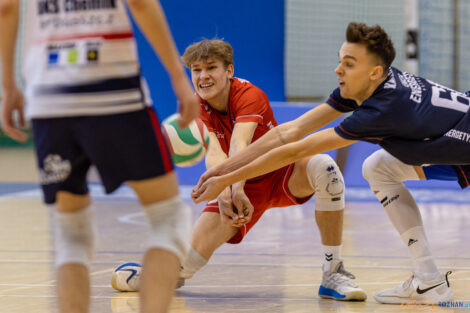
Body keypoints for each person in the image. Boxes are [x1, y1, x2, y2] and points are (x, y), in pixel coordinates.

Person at [192, 22, 470, 304]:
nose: (338, 70)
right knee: (378, 168)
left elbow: (293, 150)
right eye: (340, 61)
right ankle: (428, 280)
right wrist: (221, 170)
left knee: (375, 167)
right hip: (459, 148)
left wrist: (226, 180)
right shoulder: (371, 86)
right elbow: (288, 132)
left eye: (349, 64)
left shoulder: (383, 110)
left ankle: (427, 280)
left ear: (373, 72)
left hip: (462, 145)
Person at [112, 39, 367, 301]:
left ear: (229, 71)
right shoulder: (194, 105)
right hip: (242, 183)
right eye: (196, 70)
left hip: (282, 170)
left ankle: (332, 272)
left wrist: (234, 186)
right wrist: (224, 194)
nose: (203, 76)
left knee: (326, 168)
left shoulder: (248, 94)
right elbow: (213, 153)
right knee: (186, 265)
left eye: (211, 67)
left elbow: (239, 144)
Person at [0, 1, 200, 313]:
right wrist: (177, 75)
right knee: (168, 219)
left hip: (50, 99)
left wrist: (9, 85)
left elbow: (6, 8)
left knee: (71, 234)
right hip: (115, 91)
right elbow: (141, 4)